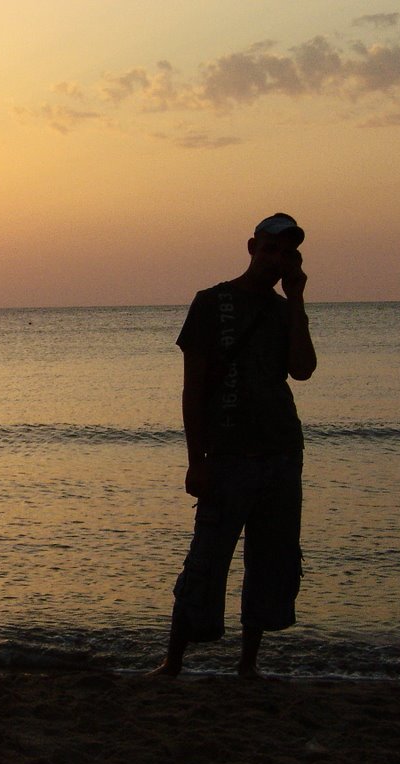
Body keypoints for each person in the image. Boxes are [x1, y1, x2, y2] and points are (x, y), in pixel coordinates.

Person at [151, 212, 317, 678]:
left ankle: (248, 665)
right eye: (270, 249)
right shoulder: (211, 302)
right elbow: (193, 387)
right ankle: (173, 661)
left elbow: (302, 370)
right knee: (206, 559)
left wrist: (298, 297)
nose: (276, 260)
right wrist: (195, 459)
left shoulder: (286, 310)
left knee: (271, 560)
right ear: (252, 247)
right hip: (226, 457)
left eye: (287, 253)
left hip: (281, 453)